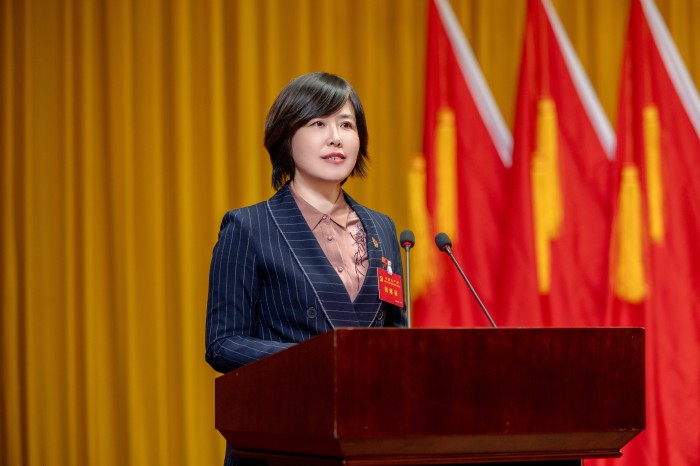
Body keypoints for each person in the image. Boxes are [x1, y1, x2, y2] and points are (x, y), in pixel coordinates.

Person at [205, 72, 407, 465]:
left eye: (346, 125)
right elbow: (223, 343)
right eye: (318, 124)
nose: (335, 138)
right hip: (284, 436)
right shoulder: (248, 226)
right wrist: (318, 361)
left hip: (368, 437)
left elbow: (394, 335)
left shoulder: (383, 229)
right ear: (286, 136)